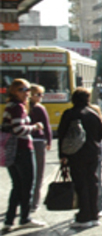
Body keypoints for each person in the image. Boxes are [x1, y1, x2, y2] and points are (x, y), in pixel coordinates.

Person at [2, 79, 46, 232]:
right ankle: (25, 218)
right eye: (23, 89)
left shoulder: (9, 106)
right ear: (15, 91)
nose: (27, 92)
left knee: (17, 186)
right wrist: (35, 127)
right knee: (27, 185)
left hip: (11, 151)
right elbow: (19, 129)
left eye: (27, 89)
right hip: (22, 149)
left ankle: (9, 220)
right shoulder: (18, 107)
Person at [58, 87, 102, 228]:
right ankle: (94, 214)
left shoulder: (69, 114)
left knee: (80, 183)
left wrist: (63, 155)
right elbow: (100, 134)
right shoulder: (93, 114)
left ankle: (83, 216)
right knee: (92, 182)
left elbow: (62, 136)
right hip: (92, 152)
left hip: (76, 154)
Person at [29, 84, 53, 213]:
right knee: (39, 173)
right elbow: (46, 126)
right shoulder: (40, 108)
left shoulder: (23, 107)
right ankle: (34, 203)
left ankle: (24, 201)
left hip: (24, 142)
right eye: (38, 94)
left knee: (27, 173)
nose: (41, 97)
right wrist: (49, 140)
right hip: (38, 141)